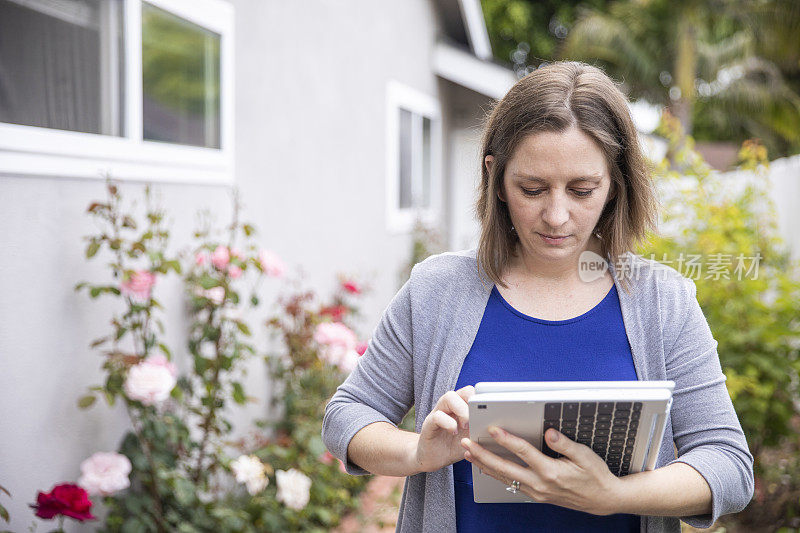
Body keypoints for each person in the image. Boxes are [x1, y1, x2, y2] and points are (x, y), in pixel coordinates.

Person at [322, 61, 753, 533]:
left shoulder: (663, 301)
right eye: (532, 188)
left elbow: (729, 466)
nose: (556, 215)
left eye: (582, 190)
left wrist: (613, 496)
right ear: (497, 177)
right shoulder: (437, 291)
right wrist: (416, 452)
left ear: (614, 185)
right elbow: (347, 416)